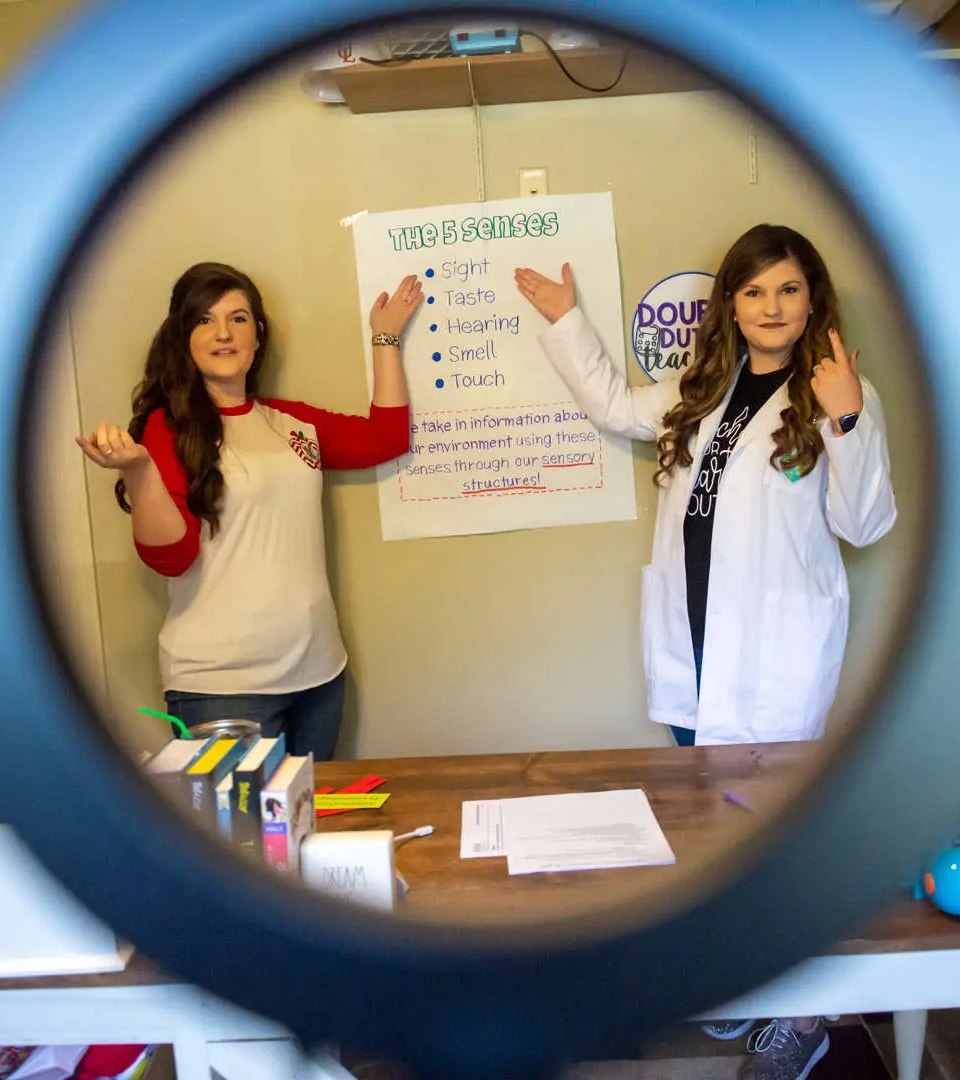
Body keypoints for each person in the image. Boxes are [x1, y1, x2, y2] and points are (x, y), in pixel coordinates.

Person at [515, 224, 896, 1080]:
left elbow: (866, 523)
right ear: (731, 302)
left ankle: (803, 1018)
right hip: (693, 643)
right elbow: (615, 405)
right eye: (755, 290)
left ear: (813, 301)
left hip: (776, 654)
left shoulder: (837, 393)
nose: (772, 307)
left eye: (789, 290)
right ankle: (754, 989)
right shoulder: (703, 389)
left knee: (779, 843)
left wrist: (846, 414)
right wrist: (566, 318)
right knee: (716, 837)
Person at [77, 261, 421, 761]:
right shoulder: (166, 429)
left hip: (320, 677)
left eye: (238, 318)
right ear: (183, 337)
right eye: (204, 320)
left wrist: (385, 338)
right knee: (235, 840)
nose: (223, 333)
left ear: (258, 334)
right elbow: (171, 557)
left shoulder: (290, 423)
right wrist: (140, 471)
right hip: (222, 687)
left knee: (309, 834)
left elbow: (384, 438)